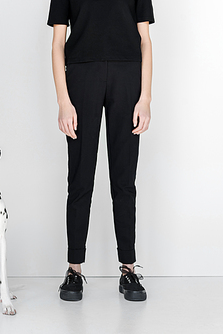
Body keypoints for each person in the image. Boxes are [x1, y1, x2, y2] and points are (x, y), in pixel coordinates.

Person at [48, 0, 154, 302]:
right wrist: (63, 101)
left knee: (124, 180)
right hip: (81, 76)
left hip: (128, 75)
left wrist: (145, 97)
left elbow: (145, 41)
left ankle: (129, 268)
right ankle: (74, 269)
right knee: (80, 178)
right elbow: (57, 44)